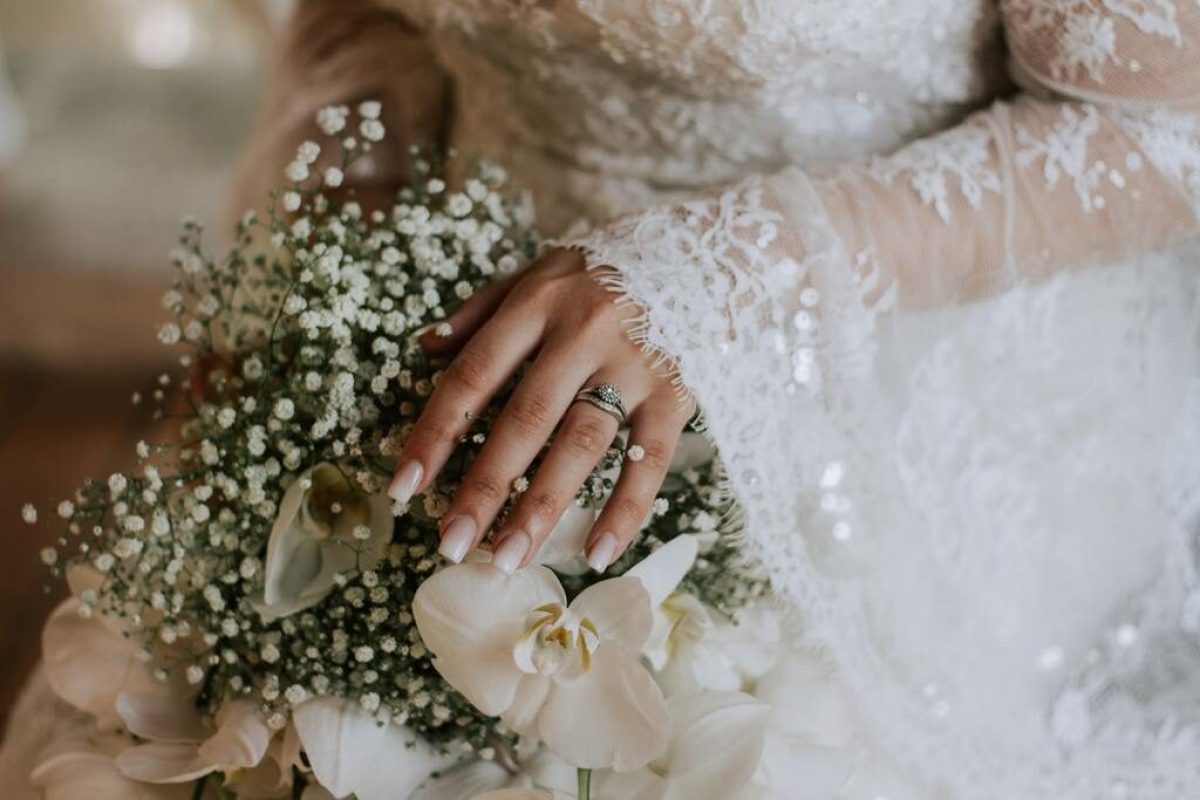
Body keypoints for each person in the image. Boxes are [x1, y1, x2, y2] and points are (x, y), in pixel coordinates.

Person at [12, 1, 1200, 797]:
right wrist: (321, 269)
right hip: (446, 346)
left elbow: (1160, 132)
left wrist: (722, 278)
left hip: (896, 425)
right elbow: (360, 13)